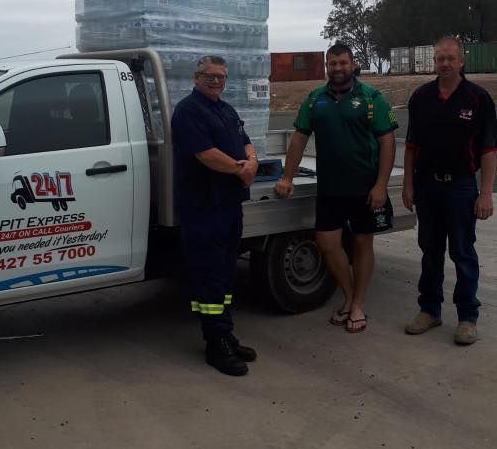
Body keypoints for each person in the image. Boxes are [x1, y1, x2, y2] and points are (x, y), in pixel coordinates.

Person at [275, 43, 397, 332]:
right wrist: (287, 177)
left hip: (364, 187)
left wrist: (381, 185)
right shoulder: (315, 99)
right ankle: (348, 294)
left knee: (361, 244)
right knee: (328, 245)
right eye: (333, 63)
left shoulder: (371, 98)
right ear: (327, 66)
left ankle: (356, 304)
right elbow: (298, 139)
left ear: (353, 64)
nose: (338, 68)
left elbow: (387, 142)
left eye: (343, 63)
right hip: (329, 187)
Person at [403, 36, 497, 345]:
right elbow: (411, 145)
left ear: (461, 61)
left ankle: (467, 317)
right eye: (440, 59)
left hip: (461, 187)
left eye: (450, 59)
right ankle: (429, 310)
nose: (445, 64)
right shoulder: (421, 98)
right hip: (427, 186)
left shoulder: (478, 99)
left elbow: (488, 150)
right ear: (434, 62)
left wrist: (485, 193)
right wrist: (408, 184)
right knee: (430, 251)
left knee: (462, 252)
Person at [171, 55, 259, 376]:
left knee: (224, 272)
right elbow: (206, 155)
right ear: (196, 77)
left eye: (221, 77)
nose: (216, 81)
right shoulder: (188, 111)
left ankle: (225, 332)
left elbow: (246, 141)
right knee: (208, 275)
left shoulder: (226, 109)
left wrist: (250, 162)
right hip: (203, 207)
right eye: (210, 76)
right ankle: (215, 343)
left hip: (228, 205)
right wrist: (242, 170)